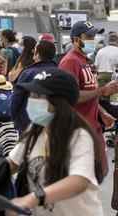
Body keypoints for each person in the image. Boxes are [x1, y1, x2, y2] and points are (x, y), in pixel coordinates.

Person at [7, 69, 104, 216]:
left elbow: (79, 181)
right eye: (31, 94)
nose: (31, 100)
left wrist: (31, 199)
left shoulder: (79, 135)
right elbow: (12, 163)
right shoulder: (35, 130)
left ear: (58, 103)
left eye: (38, 95)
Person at [59, 21, 118, 178]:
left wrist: (102, 112)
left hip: (93, 126)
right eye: (89, 36)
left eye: (94, 36)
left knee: (100, 171)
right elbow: (71, 96)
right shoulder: (70, 62)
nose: (93, 39)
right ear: (76, 39)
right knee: (84, 177)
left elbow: (89, 92)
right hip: (78, 129)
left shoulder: (86, 62)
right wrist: (103, 90)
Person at [11, 40, 57, 133]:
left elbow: (17, 97)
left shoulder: (28, 73)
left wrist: (14, 117)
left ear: (37, 54)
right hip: (53, 122)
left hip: (28, 121)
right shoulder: (59, 72)